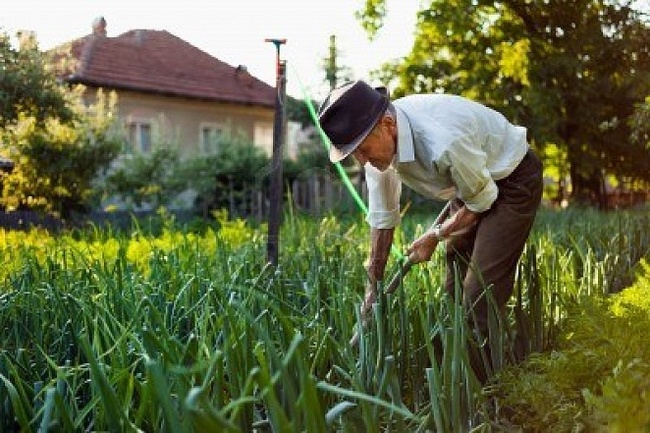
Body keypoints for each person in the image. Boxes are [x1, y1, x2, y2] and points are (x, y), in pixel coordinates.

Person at [318, 80, 543, 379]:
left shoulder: (442, 141)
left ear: (387, 124)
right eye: (353, 154)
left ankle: (494, 389)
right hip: (470, 184)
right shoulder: (377, 154)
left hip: (512, 178)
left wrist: (435, 236)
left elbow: (482, 201)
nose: (362, 161)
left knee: (478, 294)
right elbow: (383, 220)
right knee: (453, 289)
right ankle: (456, 370)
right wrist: (374, 286)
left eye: (362, 150)